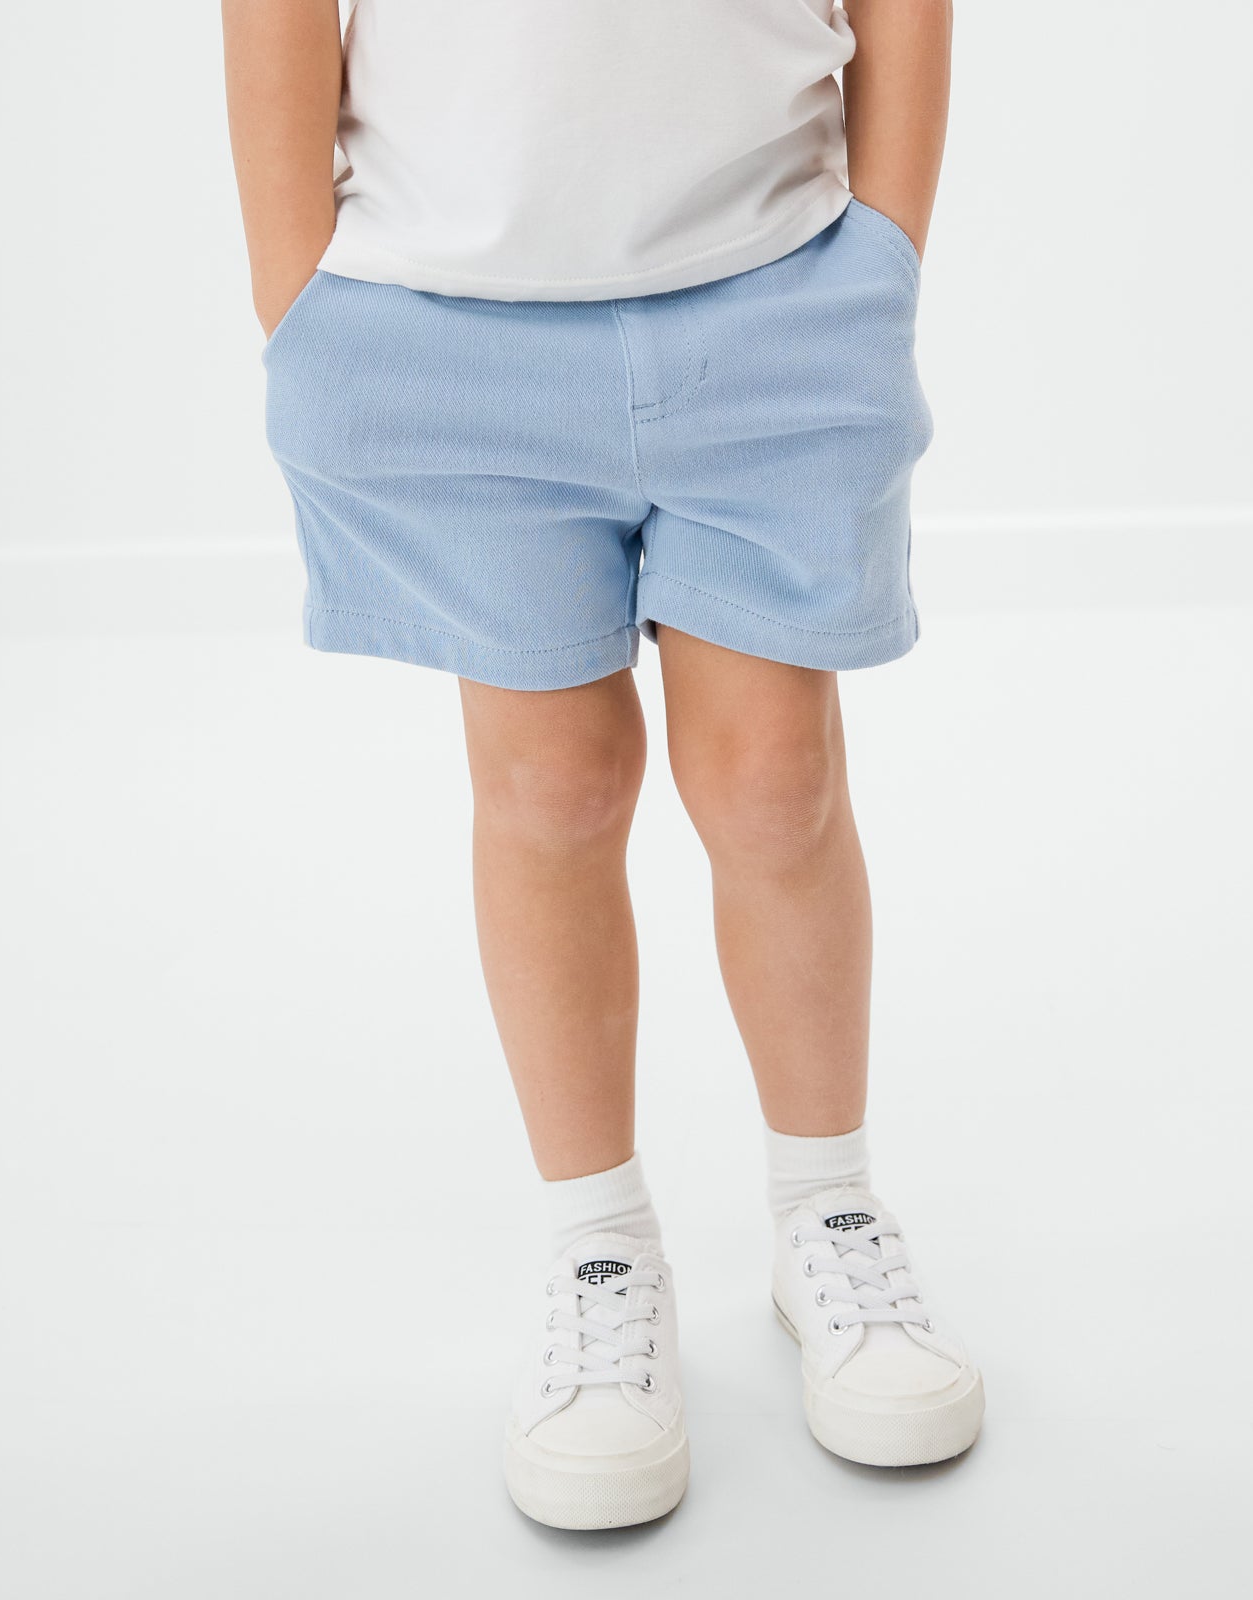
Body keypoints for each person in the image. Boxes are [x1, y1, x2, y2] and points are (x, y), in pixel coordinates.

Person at [222, 0, 981, 1529]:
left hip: (772, 291)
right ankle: (599, 1241)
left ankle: (823, 1202)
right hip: (444, 320)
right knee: (550, 786)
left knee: (776, 779)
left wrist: (886, 245)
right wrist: (293, 295)